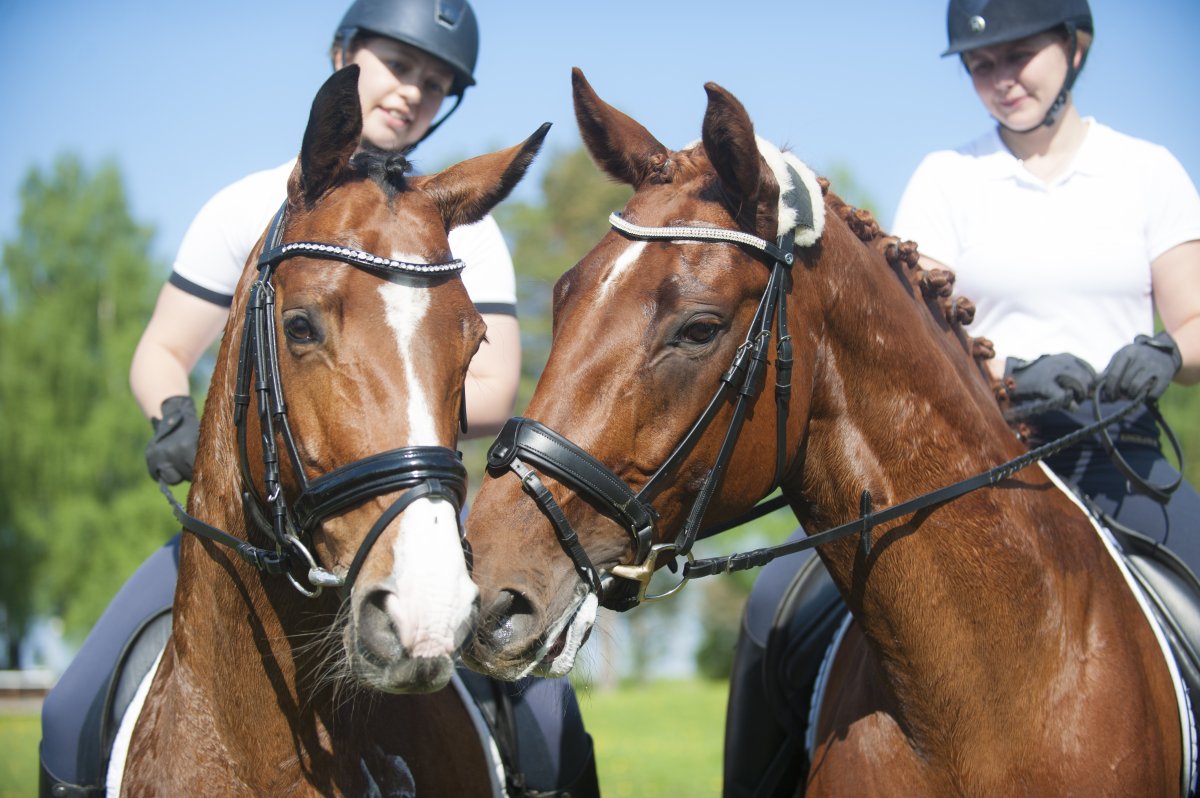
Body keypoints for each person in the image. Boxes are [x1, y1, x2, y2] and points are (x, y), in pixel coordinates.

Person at [39, 3, 599, 797]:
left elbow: (493, 383)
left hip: (404, 514)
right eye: (399, 66)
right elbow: (163, 351)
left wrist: (389, 411)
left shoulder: (465, 229)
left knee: (548, 724)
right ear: (342, 54)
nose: (413, 92)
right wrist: (172, 412)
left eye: (436, 85)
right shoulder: (248, 206)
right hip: (248, 526)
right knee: (68, 713)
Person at [722, 1, 1200, 795]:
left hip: (1121, 458)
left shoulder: (1146, 169)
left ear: (1075, 46)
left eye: (1019, 55)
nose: (1000, 78)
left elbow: (1195, 321)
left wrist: (1165, 350)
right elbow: (910, 340)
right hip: (986, 457)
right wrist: (1010, 372)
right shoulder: (948, 176)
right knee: (777, 602)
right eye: (981, 65)